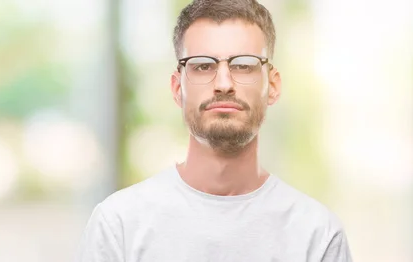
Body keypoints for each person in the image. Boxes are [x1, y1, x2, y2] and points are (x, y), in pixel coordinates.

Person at [75, 0, 352, 261]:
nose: (223, 83)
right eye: (203, 66)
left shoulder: (318, 235)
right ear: (176, 88)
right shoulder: (118, 225)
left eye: (243, 65)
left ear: (273, 86)